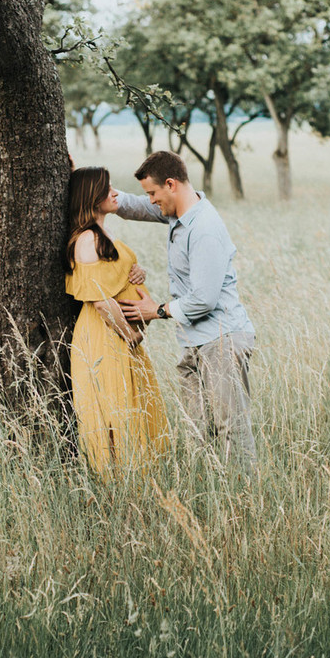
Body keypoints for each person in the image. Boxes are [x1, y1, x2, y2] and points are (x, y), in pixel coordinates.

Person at [116, 150, 257, 470]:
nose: (151, 200)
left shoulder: (203, 228)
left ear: (171, 184)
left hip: (221, 340)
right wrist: (97, 190)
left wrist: (157, 310)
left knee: (231, 429)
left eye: (153, 193)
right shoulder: (177, 213)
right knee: (199, 432)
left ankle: (243, 495)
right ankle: (210, 490)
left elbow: (204, 299)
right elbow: (133, 206)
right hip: (193, 341)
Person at [65, 166, 169, 474]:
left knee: (129, 405)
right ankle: (116, 484)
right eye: (106, 189)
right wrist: (131, 334)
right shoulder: (87, 240)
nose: (114, 193)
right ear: (91, 197)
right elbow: (100, 300)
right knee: (113, 409)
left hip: (120, 336)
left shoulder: (103, 234)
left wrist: (138, 272)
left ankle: (136, 480)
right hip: (106, 335)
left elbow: (114, 276)